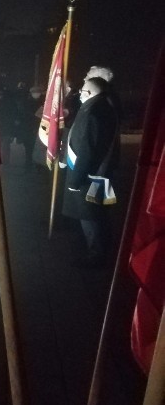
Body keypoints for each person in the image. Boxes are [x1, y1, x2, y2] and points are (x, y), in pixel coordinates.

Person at [61, 76, 121, 267]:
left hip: (89, 176)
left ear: (91, 93)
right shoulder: (101, 106)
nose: (79, 95)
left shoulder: (93, 111)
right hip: (97, 173)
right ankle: (99, 252)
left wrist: (75, 180)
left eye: (82, 91)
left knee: (91, 217)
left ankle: (97, 257)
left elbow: (87, 148)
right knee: (96, 215)